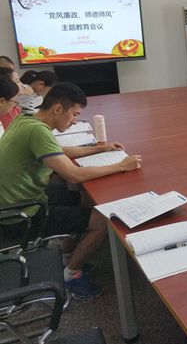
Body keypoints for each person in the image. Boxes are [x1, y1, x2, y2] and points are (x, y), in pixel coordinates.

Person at [0, 82, 142, 300]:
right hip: (20, 217)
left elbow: (57, 150)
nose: (75, 120)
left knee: (82, 197)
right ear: (58, 109)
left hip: (17, 202)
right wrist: (122, 165)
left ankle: (69, 255)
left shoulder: (27, 119)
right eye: (74, 114)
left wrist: (99, 148)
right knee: (102, 220)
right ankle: (72, 274)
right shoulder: (37, 131)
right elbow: (73, 175)